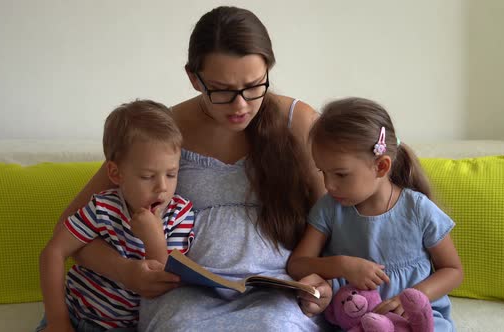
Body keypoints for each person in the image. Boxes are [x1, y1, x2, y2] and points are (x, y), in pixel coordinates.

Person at [58, 6, 333, 332]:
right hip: (183, 290)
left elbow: (334, 220)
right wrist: (125, 272)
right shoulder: (163, 131)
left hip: (277, 291)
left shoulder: (297, 123)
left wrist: (323, 278)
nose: (240, 106)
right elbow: (71, 232)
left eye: (254, 86)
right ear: (193, 78)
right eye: (222, 90)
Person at [287, 97, 464, 331]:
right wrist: (342, 265)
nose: (328, 185)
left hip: (415, 319)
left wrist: (411, 297)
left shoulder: (418, 209)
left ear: (381, 166)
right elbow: (297, 265)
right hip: (352, 320)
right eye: (323, 172)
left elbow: (453, 270)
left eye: (340, 174)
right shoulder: (329, 209)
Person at [38, 100, 195, 331]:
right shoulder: (103, 207)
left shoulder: (179, 215)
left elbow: (164, 283)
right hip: (74, 314)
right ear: (115, 173)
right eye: (147, 176)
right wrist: (57, 321)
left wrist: (154, 239)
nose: (162, 187)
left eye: (171, 174)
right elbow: (53, 252)